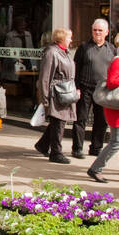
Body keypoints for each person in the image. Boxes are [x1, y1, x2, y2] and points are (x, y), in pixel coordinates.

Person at [87, 30, 119, 184]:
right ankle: (96, 168)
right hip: (118, 109)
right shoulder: (118, 61)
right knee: (117, 142)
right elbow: (112, 83)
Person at [35, 28, 78, 164]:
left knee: (58, 122)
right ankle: (56, 152)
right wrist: (44, 98)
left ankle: (43, 145)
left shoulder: (64, 52)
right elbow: (45, 76)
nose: (71, 40)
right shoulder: (51, 52)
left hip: (65, 91)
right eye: (69, 37)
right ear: (61, 38)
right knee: (58, 122)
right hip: (57, 93)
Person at [72, 19, 114, 158]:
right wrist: (77, 87)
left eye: (100, 30)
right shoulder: (84, 47)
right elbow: (76, 69)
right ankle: (77, 148)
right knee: (81, 119)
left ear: (106, 32)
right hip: (85, 88)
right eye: (95, 30)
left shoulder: (111, 49)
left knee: (101, 120)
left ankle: (96, 148)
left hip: (103, 90)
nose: (97, 33)